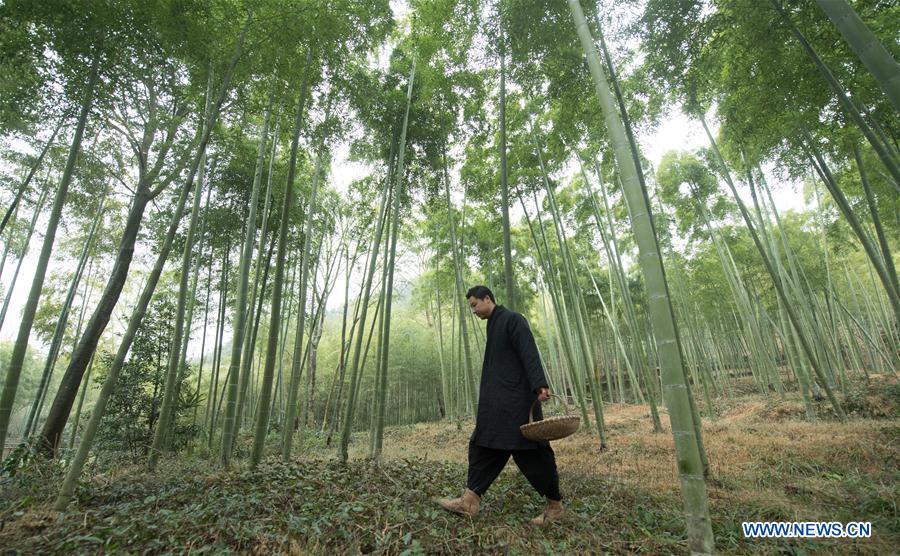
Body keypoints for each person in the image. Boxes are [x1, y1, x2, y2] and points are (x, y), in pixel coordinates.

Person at [436, 285, 565, 526]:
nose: (473, 310)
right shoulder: (493, 324)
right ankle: (470, 500)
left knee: (531, 452)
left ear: (488, 299)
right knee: (484, 444)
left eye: (474, 304)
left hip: (515, 402)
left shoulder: (513, 320)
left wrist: (540, 385)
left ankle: (555, 506)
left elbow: (528, 351)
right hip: (497, 402)